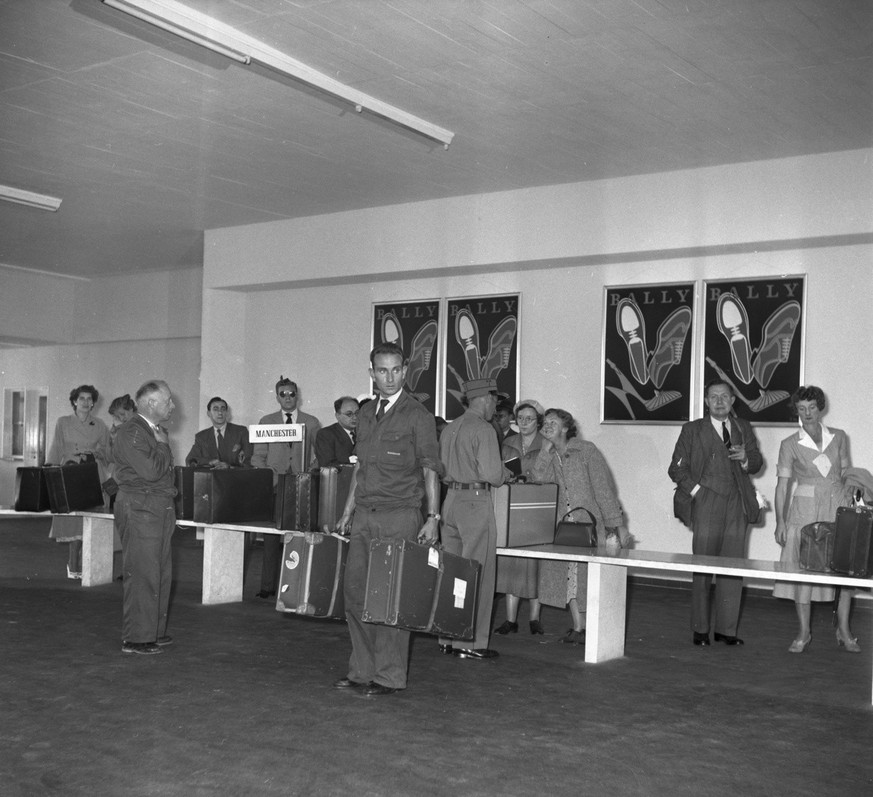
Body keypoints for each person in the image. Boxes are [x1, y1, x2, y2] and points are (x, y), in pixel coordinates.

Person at [334, 342, 442, 696]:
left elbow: (429, 469)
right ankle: (362, 671)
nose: (390, 377)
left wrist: (433, 517)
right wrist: (347, 512)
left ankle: (389, 677)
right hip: (365, 516)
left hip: (400, 516)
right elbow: (361, 467)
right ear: (372, 373)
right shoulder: (365, 413)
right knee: (355, 595)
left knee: (391, 599)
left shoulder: (418, 416)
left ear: (405, 370)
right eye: (382, 371)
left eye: (396, 370)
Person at [669, 379, 763, 647]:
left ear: (733, 400)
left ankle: (727, 630)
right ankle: (700, 629)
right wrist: (697, 491)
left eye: (725, 396)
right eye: (714, 397)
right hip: (706, 500)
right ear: (707, 402)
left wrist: (746, 458)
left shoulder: (743, 427)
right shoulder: (692, 429)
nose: (720, 401)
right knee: (702, 566)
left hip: (737, 501)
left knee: (732, 566)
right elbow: (676, 468)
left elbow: (756, 463)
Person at [773, 386, 859, 653]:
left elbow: (847, 473)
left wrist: (856, 502)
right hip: (805, 510)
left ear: (820, 408)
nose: (807, 413)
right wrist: (780, 521)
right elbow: (782, 486)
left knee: (845, 572)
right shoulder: (789, 444)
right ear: (796, 411)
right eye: (801, 408)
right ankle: (803, 632)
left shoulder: (839, 437)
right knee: (802, 572)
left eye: (812, 407)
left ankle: (843, 630)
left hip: (838, 505)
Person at [532, 408, 627, 645]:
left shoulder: (586, 450)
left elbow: (604, 489)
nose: (547, 426)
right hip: (563, 527)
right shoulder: (548, 453)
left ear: (565, 428)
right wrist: (544, 452)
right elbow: (537, 480)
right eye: (545, 422)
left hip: (590, 524)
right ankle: (578, 627)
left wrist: (615, 526)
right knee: (568, 576)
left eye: (553, 422)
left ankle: (593, 626)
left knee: (587, 577)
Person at [439, 378, 509, 659]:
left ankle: (447, 636)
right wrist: (508, 474)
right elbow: (493, 475)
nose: (496, 407)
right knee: (478, 574)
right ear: (485, 398)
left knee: (452, 573)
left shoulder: (449, 428)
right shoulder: (484, 428)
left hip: (451, 501)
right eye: (495, 401)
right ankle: (471, 643)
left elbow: (441, 470)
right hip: (475, 503)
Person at [112, 380, 177, 655]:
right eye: (168, 401)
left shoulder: (151, 430)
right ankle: (137, 638)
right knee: (143, 574)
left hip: (156, 507)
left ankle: (153, 632)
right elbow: (151, 471)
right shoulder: (133, 432)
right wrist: (163, 446)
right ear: (151, 403)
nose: (172, 406)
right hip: (141, 508)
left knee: (160, 573)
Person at [251, 376, 322, 599]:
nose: (288, 398)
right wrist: (269, 479)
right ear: (277, 397)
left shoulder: (311, 422)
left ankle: (300, 587)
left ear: (297, 395)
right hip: (275, 486)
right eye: (283, 394)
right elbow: (257, 456)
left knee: (301, 535)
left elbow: (320, 455)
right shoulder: (266, 421)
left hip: (302, 485)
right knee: (271, 536)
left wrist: (308, 473)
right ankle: (267, 586)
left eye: (292, 393)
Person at [46, 384, 111, 579]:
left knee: (92, 519)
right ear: (74, 401)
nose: (85, 402)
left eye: (89, 399)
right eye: (81, 398)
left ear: (93, 403)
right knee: (74, 521)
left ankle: (90, 566)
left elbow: (108, 452)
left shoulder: (100, 425)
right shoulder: (63, 422)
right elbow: (56, 447)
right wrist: (50, 473)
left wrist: (97, 452)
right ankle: (73, 565)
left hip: (92, 472)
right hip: (71, 472)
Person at [494, 399, 546, 635]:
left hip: (537, 508)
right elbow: (501, 470)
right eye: (521, 418)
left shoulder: (546, 444)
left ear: (539, 422)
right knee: (510, 563)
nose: (524, 423)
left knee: (536, 564)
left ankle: (535, 618)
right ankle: (510, 619)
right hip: (513, 506)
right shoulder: (508, 443)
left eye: (529, 419)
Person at [185, 396, 252, 468]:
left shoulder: (241, 431)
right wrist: (209, 461)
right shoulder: (201, 437)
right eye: (215, 409)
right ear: (209, 413)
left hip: (236, 477)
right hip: (211, 478)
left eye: (223, 409)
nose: (220, 412)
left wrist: (230, 467)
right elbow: (190, 460)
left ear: (227, 412)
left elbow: (250, 460)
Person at [314, 396, 359, 467]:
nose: (355, 417)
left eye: (357, 413)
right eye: (349, 414)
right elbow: (327, 464)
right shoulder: (326, 434)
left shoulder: (365, 433)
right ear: (338, 416)